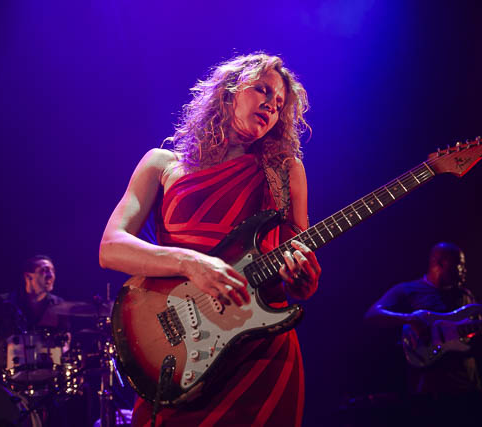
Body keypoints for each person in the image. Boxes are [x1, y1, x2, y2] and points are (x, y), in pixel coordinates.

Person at [99, 52, 321, 426]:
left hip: (258, 353)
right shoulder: (161, 164)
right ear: (229, 92)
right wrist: (190, 262)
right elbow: (111, 247)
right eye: (262, 90)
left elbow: (300, 261)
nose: (271, 104)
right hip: (177, 346)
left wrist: (304, 278)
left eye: (280, 102)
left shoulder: (286, 171)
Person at [364, 242, 482, 426]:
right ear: (440, 263)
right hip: (428, 393)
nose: (464, 270)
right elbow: (373, 314)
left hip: (467, 390)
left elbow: (480, 343)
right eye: (459, 264)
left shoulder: (466, 297)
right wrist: (409, 319)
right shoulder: (408, 290)